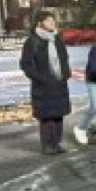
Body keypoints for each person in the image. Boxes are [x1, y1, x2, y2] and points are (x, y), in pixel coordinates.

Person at [19, 8, 73, 154]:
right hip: (43, 85)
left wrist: (66, 73)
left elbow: (64, 58)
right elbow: (26, 64)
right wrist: (40, 78)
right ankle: (47, 145)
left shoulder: (57, 39)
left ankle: (56, 143)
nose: (52, 23)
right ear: (40, 23)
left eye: (53, 20)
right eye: (49, 20)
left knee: (58, 114)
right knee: (46, 116)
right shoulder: (32, 41)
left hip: (59, 83)